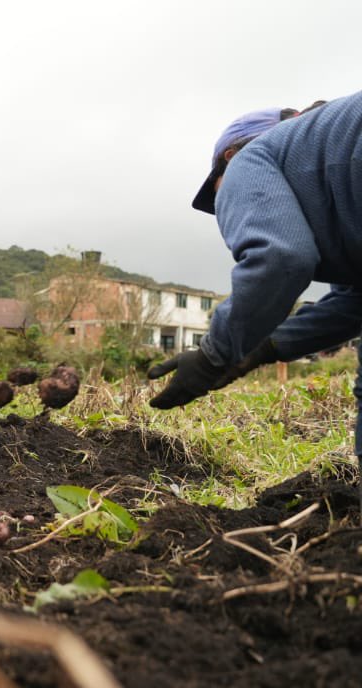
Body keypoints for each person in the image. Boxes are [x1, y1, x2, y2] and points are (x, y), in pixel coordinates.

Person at [148, 91, 362, 461]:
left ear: (228, 158)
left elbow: (280, 258)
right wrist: (263, 347)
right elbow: (354, 303)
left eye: (217, 196)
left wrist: (214, 354)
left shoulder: (249, 161)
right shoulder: (338, 172)